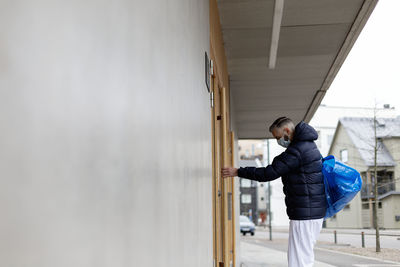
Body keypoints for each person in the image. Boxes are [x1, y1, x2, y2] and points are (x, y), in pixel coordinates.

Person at [221, 117, 326, 267]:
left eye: (278, 137)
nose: (278, 141)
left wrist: (238, 171)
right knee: (304, 257)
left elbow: (268, 173)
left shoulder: (297, 151)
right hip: (312, 211)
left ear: (287, 131)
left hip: (305, 212)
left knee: (299, 260)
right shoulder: (309, 146)